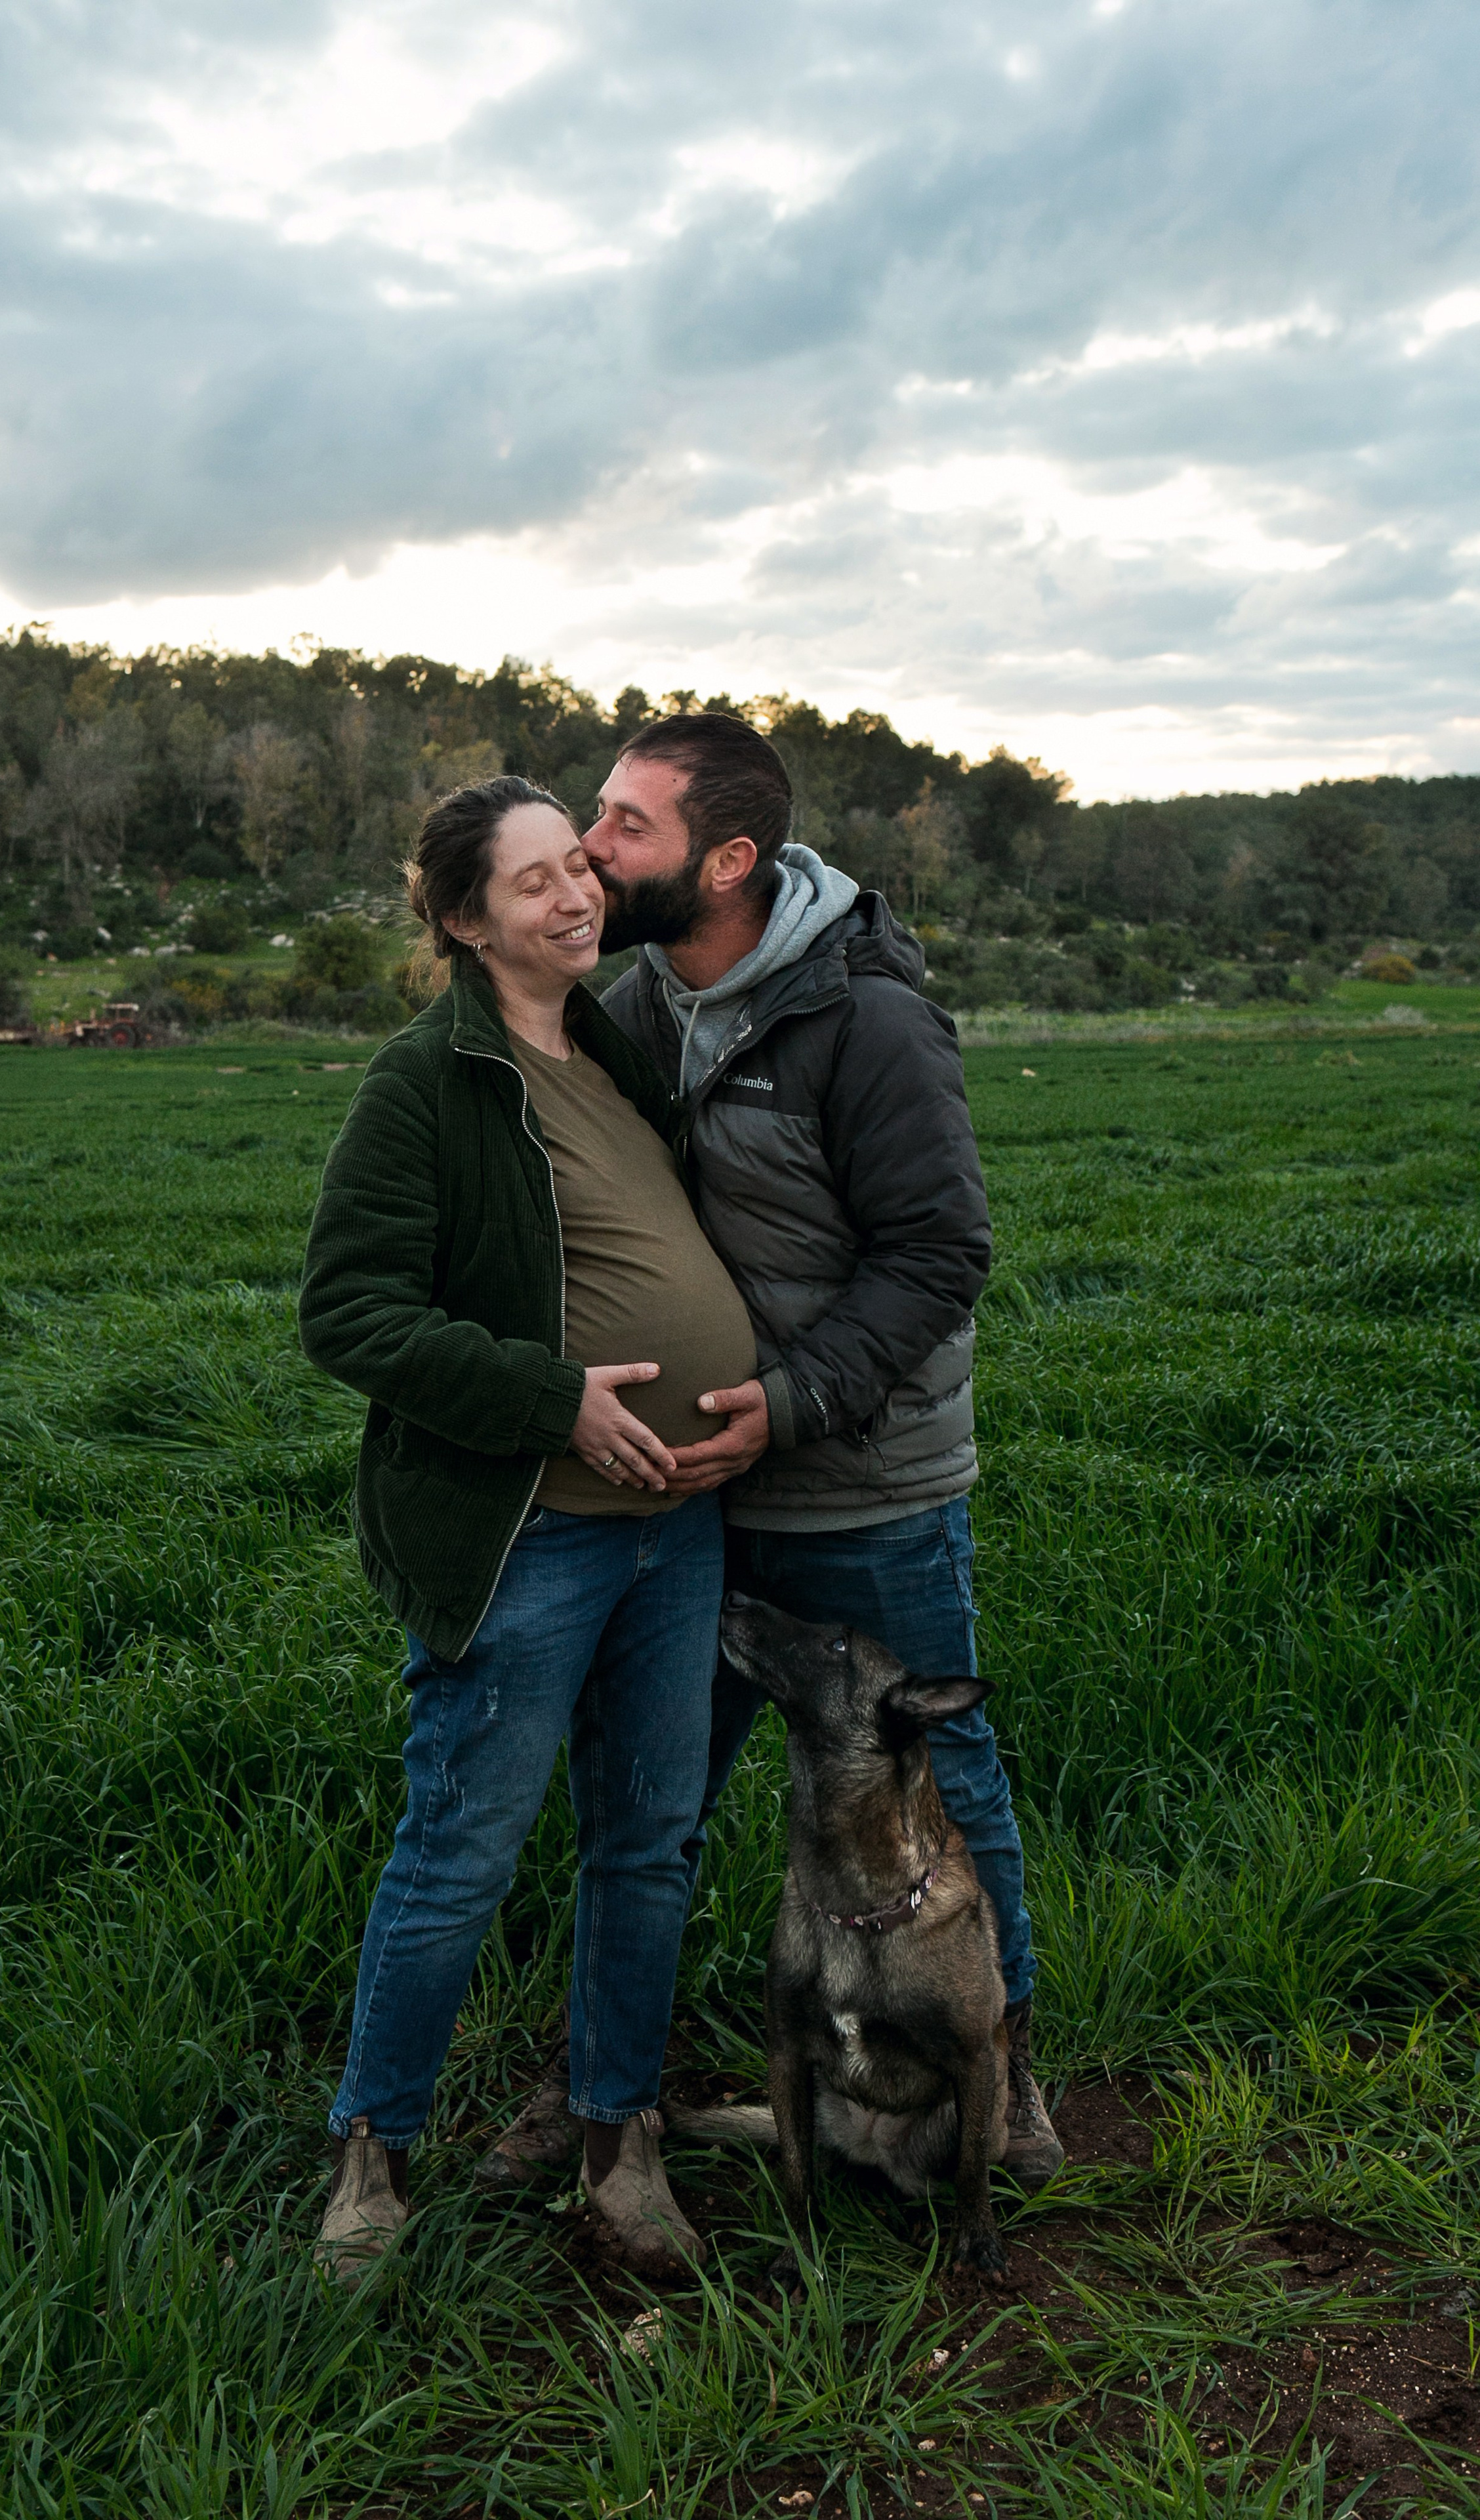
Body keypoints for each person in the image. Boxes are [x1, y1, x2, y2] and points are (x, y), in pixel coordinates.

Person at [478, 713, 1065, 2195]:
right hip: (683, 1493)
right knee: (646, 1798)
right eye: (594, 817)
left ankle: (1005, 2063)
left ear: (725, 861)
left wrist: (795, 1401)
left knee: (945, 1772)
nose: (592, 850)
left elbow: (941, 1250)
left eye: (624, 827)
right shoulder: (638, 1003)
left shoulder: (865, 1020)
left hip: (863, 1485)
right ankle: (601, 2083)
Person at [298, 774, 759, 2280]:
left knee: (648, 1845)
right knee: (461, 1853)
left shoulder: (614, 1040)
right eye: (529, 884)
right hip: (533, 1539)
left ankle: (620, 2144)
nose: (573, 896)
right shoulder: (426, 1081)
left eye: (578, 865)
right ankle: (372, 2159)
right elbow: (350, 1314)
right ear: (457, 920)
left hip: (671, 1529)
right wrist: (552, 1397)